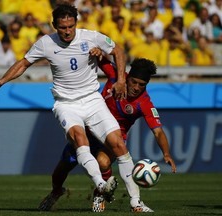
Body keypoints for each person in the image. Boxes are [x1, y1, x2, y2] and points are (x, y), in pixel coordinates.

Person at [0, 3, 132, 207]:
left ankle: (123, 197)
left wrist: (120, 81)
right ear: (54, 26)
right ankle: (67, 190)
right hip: (67, 104)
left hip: (92, 101)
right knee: (66, 162)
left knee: (114, 147)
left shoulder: (91, 37)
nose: (67, 31)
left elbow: (117, 50)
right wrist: (2, 80)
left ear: (76, 23)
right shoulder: (45, 43)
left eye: (71, 26)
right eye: (62, 28)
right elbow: (23, 63)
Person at [38, 56, 177, 213]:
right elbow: (100, 59)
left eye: (142, 85)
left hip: (112, 139)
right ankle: (56, 191)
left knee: (103, 162)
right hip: (88, 131)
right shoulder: (116, 76)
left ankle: (102, 194)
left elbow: (158, 131)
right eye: (134, 82)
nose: (137, 87)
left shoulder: (144, 103)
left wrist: (166, 153)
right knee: (61, 170)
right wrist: (97, 51)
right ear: (127, 77)